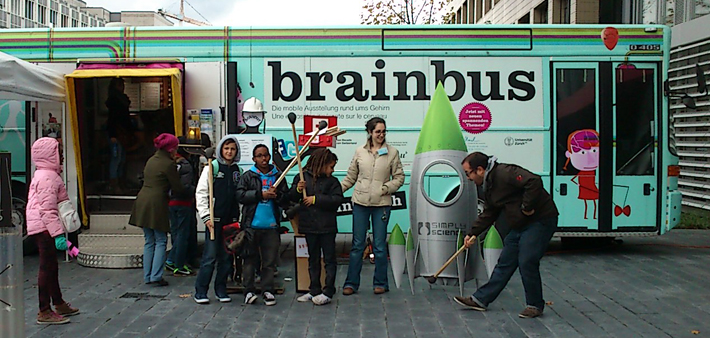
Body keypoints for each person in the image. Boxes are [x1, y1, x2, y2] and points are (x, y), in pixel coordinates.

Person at [453, 152, 559, 319]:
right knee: (505, 263)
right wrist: (473, 233)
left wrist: (526, 207)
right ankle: (480, 300)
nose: (468, 178)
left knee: (527, 260)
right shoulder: (488, 185)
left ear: (480, 170)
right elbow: (490, 212)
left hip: (540, 220)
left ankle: (535, 305)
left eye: (468, 173)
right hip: (520, 224)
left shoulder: (505, 172)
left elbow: (534, 181)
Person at [341, 117, 405, 295]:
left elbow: (399, 177)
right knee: (357, 245)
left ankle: (381, 283)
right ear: (369, 132)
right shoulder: (360, 151)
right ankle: (351, 284)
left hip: (382, 204)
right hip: (360, 202)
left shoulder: (392, 152)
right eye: (378, 131)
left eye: (384, 131)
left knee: (379, 245)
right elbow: (351, 177)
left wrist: (386, 188)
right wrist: (335, 190)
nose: (381, 135)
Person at [26, 137, 80, 325]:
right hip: (45, 228)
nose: (62, 156)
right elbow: (47, 210)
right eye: (59, 152)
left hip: (45, 226)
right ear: (50, 155)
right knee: (46, 267)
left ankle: (58, 302)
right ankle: (44, 310)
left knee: (51, 266)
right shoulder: (48, 177)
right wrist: (57, 235)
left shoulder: (46, 174)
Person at [129, 133, 185, 287]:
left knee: (149, 240)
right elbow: (177, 187)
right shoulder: (169, 164)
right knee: (161, 240)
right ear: (171, 148)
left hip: (142, 201)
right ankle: (156, 276)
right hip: (157, 203)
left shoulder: (151, 160)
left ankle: (147, 276)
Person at [236, 144, 289, 306]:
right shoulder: (248, 176)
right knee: (250, 259)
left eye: (265, 155)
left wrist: (277, 195)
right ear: (254, 159)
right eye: (259, 156)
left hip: (271, 225)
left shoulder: (278, 175)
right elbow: (240, 195)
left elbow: (285, 199)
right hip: (251, 225)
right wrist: (261, 194)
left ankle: (267, 289)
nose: (263, 159)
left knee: (269, 261)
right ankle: (249, 291)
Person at [290, 148, 344, 306]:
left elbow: (337, 200)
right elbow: (290, 197)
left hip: (327, 226)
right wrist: (298, 189)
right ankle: (314, 289)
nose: (332, 170)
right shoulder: (302, 178)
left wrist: (316, 199)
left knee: (329, 259)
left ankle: (328, 290)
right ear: (321, 164)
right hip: (309, 225)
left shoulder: (332, 182)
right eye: (330, 166)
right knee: (312, 259)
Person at [194, 135, 242, 304]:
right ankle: (201, 290)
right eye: (226, 148)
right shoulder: (211, 167)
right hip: (214, 220)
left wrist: (240, 217)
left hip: (231, 221)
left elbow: (239, 196)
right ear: (221, 149)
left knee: (227, 257)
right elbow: (201, 193)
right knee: (210, 256)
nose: (229, 152)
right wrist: (206, 216)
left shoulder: (237, 171)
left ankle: (221, 289)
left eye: (233, 149)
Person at [165, 138, 197, 276]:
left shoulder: (170, 163)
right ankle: (176, 263)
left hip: (170, 202)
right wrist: (197, 191)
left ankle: (173, 261)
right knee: (183, 234)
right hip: (183, 203)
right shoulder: (186, 165)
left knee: (176, 232)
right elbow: (185, 187)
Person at [105, 77, 135, 193]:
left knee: (121, 158)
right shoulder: (115, 101)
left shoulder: (118, 99)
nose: (122, 87)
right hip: (117, 133)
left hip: (122, 133)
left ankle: (120, 182)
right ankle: (115, 183)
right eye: (120, 85)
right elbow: (112, 119)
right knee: (117, 158)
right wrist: (112, 134)